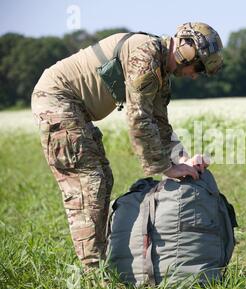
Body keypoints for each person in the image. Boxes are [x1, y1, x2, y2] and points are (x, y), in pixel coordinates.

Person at [31, 22, 222, 268]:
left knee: (103, 178)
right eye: (198, 67)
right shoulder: (145, 53)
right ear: (187, 50)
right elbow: (139, 117)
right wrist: (166, 167)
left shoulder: (160, 73)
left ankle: (100, 261)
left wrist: (183, 159)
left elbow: (160, 124)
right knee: (90, 184)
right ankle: (92, 275)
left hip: (75, 109)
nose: (195, 74)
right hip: (57, 100)